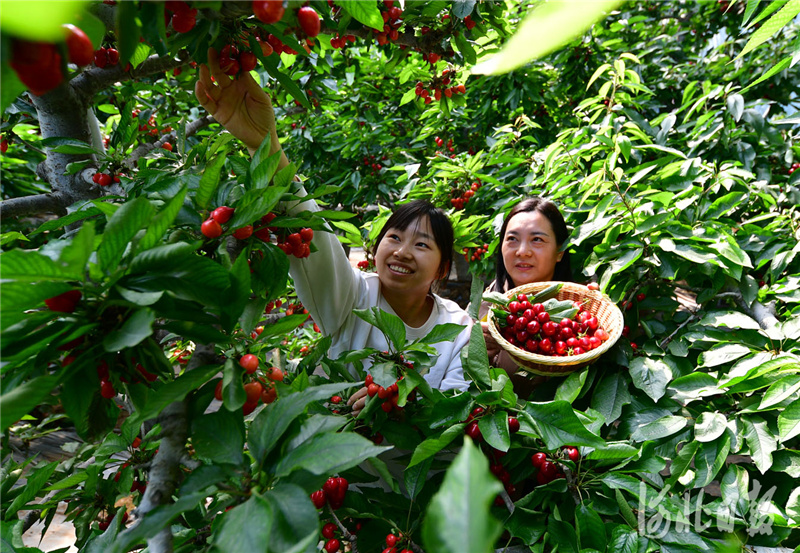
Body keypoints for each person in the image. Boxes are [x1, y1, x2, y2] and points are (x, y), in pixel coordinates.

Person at [194, 49, 472, 413]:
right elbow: (311, 229)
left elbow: (457, 405)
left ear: (442, 267)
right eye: (394, 237)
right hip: (328, 464)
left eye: (422, 244)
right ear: (376, 250)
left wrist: (404, 400)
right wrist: (265, 143)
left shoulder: (458, 328)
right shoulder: (352, 298)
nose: (403, 251)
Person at [478, 197, 572, 388]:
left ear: (560, 252)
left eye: (537, 240)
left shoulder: (581, 310)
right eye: (512, 239)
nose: (522, 251)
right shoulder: (483, 306)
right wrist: (477, 355)